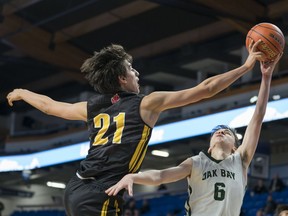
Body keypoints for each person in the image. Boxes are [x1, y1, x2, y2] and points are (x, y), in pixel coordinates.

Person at [7, 42, 264, 216]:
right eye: (131, 69)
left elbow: (52, 107)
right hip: (101, 192)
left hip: (76, 188)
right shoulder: (147, 104)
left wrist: (23, 92)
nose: (136, 72)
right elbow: (205, 89)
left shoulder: (92, 106)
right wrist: (245, 66)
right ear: (121, 79)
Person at [105, 53, 282, 216]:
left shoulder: (241, 160)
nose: (221, 131)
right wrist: (133, 176)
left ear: (235, 146)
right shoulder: (197, 162)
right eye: (216, 132)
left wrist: (266, 77)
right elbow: (161, 176)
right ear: (210, 144)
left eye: (227, 132)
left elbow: (258, 116)